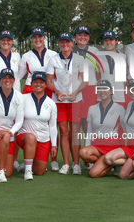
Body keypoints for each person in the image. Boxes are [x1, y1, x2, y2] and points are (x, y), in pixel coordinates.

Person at [17, 26, 58, 171]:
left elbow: (56, 75)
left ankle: (53, 160)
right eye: (34, 37)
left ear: (44, 38)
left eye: (40, 37)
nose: (37, 39)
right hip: (30, 87)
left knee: (49, 123)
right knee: (27, 124)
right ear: (31, 39)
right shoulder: (26, 56)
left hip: (48, 88)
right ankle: (28, 159)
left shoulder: (53, 54)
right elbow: (19, 75)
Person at [46, 32, 88, 175]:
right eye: (62, 42)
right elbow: (49, 81)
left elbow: (85, 81)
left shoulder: (79, 59)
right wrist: (57, 92)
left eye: (67, 42)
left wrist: (76, 92)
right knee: (64, 132)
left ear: (72, 43)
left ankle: (76, 164)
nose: (65, 44)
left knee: (75, 132)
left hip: (75, 100)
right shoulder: (53, 60)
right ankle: (65, 164)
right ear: (59, 44)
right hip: (58, 101)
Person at [79, 80, 125, 178]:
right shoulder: (92, 108)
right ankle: (112, 163)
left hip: (112, 147)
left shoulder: (120, 109)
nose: (102, 91)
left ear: (111, 90)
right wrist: (87, 148)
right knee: (83, 152)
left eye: (105, 89)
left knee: (93, 174)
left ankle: (114, 160)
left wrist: (124, 150)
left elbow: (125, 130)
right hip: (97, 147)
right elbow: (90, 131)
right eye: (99, 89)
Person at [16, 72, 58, 180]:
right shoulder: (23, 98)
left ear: (45, 84)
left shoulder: (51, 103)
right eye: (35, 82)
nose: (38, 85)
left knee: (40, 171)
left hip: (43, 139)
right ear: (31, 83)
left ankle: (27, 164)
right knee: (31, 137)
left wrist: (54, 145)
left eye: (41, 82)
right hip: (25, 136)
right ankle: (28, 171)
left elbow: (53, 126)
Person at [0, 68, 24, 182]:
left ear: (14, 80)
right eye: (4, 78)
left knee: (8, 172)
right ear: (0, 80)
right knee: (5, 136)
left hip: (8, 135)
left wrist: (10, 132)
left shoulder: (19, 96)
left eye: (10, 78)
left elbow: (19, 121)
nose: (7, 80)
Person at [72, 25, 99, 141]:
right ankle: (76, 159)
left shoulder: (95, 51)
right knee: (75, 127)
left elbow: (99, 71)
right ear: (75, 37)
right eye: (80, 35)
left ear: (88, 37)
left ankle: (88, 154)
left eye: (85, 35)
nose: (82, 37)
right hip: (74, 91)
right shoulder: (69, 50)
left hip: (90, 89)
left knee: (88, 124)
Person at [97, 30, 126, 108]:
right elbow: (96, 75)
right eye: (106, 40)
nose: (108, 42)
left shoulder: (124, 57)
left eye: (111, 40)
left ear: (116, 41)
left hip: (119, 97)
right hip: (102, 97)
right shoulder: (98, 58)